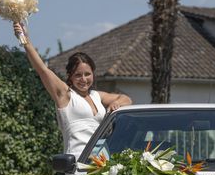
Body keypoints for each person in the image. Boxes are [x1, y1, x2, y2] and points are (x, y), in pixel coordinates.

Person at [13, 22, 132, 159]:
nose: (83, 79)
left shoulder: (96, 96)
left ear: (93, 74)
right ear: (70, 76)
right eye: (78, 75)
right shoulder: (66, 94)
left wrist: (117, 104)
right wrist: (25, 40)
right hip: (77, 162)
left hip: (101, 162)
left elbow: (127, 99)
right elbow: (42, 69)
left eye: (87, 74)